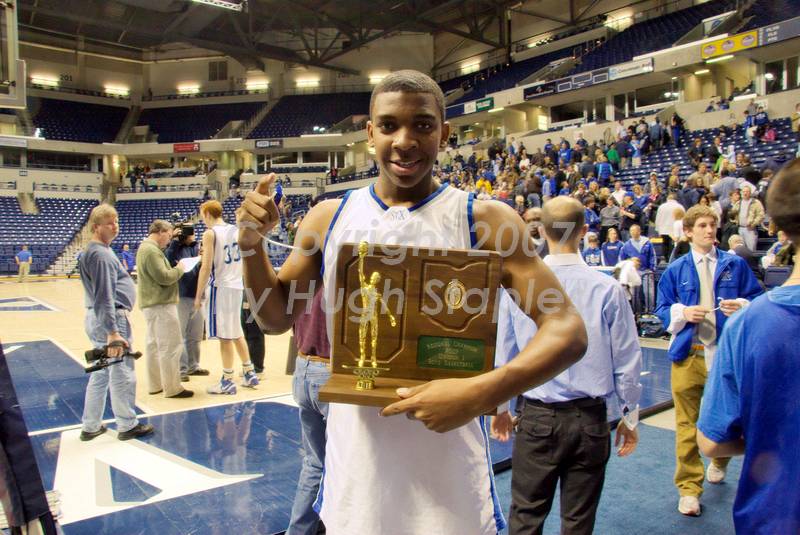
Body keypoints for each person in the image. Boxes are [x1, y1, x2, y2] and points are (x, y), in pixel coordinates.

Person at [236, 69, 587, 535]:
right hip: (356, 476)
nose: (404, 140)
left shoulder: (485, 221)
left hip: (450, 482)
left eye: (422, 125)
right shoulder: (328, 217)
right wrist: (249, 245)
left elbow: (567, 328)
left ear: (445, 132)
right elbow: (276, 317)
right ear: (369, 134)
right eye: (388, 126)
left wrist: (484, 392)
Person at [492, 196, 642, 535]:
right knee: (578, 521)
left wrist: (500, 407)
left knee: (526, 517)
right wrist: (630, 416)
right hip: (590, 420)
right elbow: (627, 360)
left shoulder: (518, 289)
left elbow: (505, 354)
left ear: (542, 231)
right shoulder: (608, 288)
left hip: (538, 419)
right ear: (585, 231)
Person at [697, 160, 800, 534]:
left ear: (777, 228)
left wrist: (773, 435)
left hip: (773, 516)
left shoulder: (747, 325)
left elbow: (711, 442)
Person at [655, 204, 763, 517]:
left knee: (730, 417)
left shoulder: (735, 265)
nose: (709, 230)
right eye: (701, 225)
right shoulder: (675, 269)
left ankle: (719, 459)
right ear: (688, 231)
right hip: (689, 355)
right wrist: (682, 313)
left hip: (727, 357)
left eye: (712, 225)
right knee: (686, 424)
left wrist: (742, 304)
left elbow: (757, 299)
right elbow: (661, 310)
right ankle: (689, 488)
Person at [78, 204, 153, 441]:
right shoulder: (100, 254)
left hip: (99, 317)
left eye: (116, 221)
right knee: (121, 373)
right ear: (96, 226)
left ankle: (90, 426)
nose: (115, 226)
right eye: (109, 222)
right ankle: (126, 424)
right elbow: (104, 294)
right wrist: (112, 331)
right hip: (111, 321)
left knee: (100, 374)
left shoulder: (94, 251)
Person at [195, 200, 259, 394]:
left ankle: (228, 380)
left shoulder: (210, 233)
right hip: (236, 285)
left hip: (220, 286)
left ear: (207, 214)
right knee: (236, 331)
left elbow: (206, 267)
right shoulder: (235, 230)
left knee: (225, 336)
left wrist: (198, 295)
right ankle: (249, 372)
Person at [287, 286, 330, 535]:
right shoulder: (342, 277)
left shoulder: (304, 279)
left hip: (303, 366)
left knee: (314, 463)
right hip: (330, 371)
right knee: (343, 462)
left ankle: (300, 529)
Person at [136, 220, 193, 398]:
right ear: (160, 232)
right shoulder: (151, 251)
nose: (170, 239)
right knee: (170, 346)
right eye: (169, 235)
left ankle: (156, 384)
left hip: (151, 304)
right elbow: (164, 277)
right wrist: (179, 269)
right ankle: (172, 387)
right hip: (161, 304)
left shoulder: (145, 249)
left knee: (154, 345)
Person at [164, 225, 209, 381]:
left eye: (192, 231)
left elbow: (207, 266)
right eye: (186, 232)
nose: (190, 235)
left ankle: (193, 366)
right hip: (181, 295)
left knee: (195, 335)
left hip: (198, 295)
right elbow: (168, 262)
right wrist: (175, 241)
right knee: (180, 334)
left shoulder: (198, 247)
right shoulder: (174, 248)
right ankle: (181, 369)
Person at [729, 183, 764, 252]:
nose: (745, 193)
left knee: (751, 250)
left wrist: (754, 223)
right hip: (740, 228)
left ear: (750, 193)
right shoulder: (738, 203)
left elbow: (761, 215)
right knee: (741, 250)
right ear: (741, 193)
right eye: (744, 191)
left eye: (747, 191)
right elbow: (732, 214)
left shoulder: (756, 202)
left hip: (750, 229)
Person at [656, 194, 684, 260]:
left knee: (665, 244)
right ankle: (672, 258)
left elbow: (658, 218)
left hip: (663, 229)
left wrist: (658, 229)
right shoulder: (680, 206)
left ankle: (666, 259)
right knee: (673, 245)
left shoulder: (661, 206)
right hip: (675, 230)